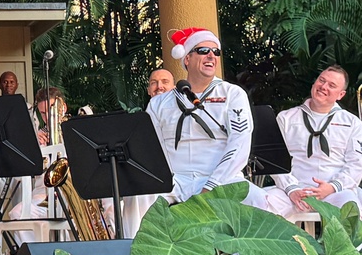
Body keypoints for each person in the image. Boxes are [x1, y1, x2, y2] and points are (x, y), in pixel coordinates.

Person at [125, 27, 266, 237]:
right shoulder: (159, 103)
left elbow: (240, 143)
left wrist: (212, 185)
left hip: (222, 178)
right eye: (203, 50)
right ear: (187, 59)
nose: (211, 56)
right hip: (174, 178)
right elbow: (149, 148)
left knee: (256, 199)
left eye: (216, 52)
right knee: (136, 196)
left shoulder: (232, 94)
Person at [265, 66, 362, 216]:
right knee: (262, 204)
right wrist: (292, 189)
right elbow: (275, 161)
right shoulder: (286, 118)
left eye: (332, 85)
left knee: (351, 209)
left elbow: (357, 164)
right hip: (292, 191)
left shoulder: (352, 122)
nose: (323, 87)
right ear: (314, 84)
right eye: (321, 80)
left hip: (334, 192)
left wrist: (331, 187)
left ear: (341, 94)